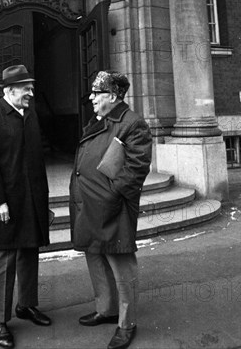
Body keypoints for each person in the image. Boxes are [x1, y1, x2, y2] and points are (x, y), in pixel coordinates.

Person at [69, 70, 152, 349]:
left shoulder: (132, 123)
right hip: (89, 204)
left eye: (97, 93)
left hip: (112, 207)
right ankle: (106, 310)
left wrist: (112, 195)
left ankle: (126, 323)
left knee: (121, 263)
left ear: (113, 97)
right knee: (95, 256)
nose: (91, 98)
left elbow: (137, 168)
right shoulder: (100, 120)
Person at [0, 65, 52, 349]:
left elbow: (37, 160)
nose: (31, 93)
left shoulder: (30, 115)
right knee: (5, 256)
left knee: (30, 250)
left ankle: (27, 305)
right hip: (5, 201)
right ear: (9, 90)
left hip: (32, 196)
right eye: (26, 88)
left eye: (31, 88)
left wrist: (43, 200)